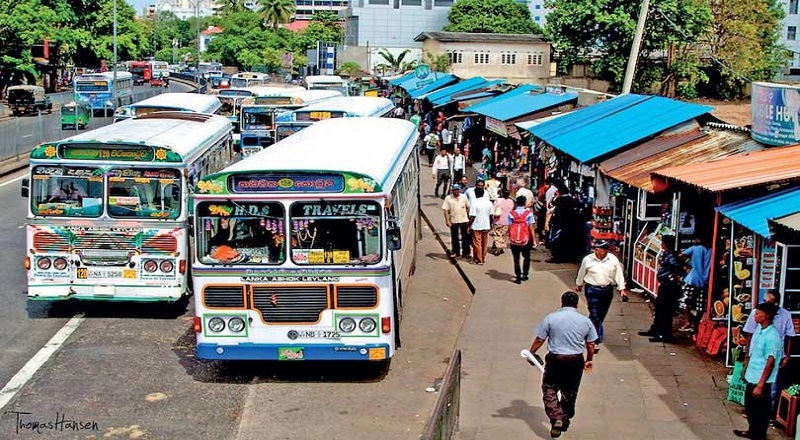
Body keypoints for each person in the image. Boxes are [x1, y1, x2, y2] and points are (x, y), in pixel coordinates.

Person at [528, 291, 597, 438]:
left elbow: (540, 339)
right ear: (577, 304)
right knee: (570, 390)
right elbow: (591, 343)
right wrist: (589, 359)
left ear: (562, 302)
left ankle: (556, 416)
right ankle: (564, 418)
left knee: (549, 388)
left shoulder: (551, 318)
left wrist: (531, 352)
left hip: (555, 359)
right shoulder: (585, 321)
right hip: (575, 360)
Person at [743, 289, 795, 417]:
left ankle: (767, 414)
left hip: (771, 358)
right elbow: (749, 334)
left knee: (770, 388)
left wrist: (786, 356)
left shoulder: (774, 333)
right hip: (755, 356)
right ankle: (751, 412)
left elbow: (789, 337)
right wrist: (746, 355)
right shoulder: (758, 315)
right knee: (750, 385)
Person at [734, 302, 782, 440]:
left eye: (757, 313)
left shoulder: (772, 336)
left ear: (766, 316)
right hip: (752, 374)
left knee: (760, 411)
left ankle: (759, 435)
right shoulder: (759, 330)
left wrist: (760, 385)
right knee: (750, 408)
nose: (755, 316)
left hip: (761, 380)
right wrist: (746, 367)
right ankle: (752, 431)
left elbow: (770, 362)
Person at [574, 241, 629, 352]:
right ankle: (595, 340)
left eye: (599, 249)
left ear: (605, 250)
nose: (596, 251)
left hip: (607, 290)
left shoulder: (613, 260)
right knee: (595, 314)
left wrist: (621, 289)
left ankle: (587, 331)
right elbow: (581, 272)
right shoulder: (588, 260)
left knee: (601, 314)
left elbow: (619, 274)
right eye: (595, 249)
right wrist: (579, 284)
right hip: (592, 289)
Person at [639, 235, 683, 342]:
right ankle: (656, 329)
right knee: (659, 308)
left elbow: (677, 265)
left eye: (663, 243)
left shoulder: (672, 256)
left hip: (669, 286)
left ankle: (664, 334)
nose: (661, 244)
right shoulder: (666, 254)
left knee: (665, 310)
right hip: (664, 285)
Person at [678, 236, 712, 332]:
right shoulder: (711, 251)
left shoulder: (694, 248)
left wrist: (685, 267)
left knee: (684, 302)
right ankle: (696, 325)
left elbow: (681, 255)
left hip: (692, 280)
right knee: (700, 305)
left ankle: (688, 322)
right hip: (705, 282)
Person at [508, 195, 537, 284]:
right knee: (526, 257)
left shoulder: (511, 214)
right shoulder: (529, 214)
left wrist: (509, 238)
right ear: (525, 203)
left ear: (516, 203)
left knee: (516, 259)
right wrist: (534, 240)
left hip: (514, 241)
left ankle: (518, 277)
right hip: (526, 239)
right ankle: (525, 274)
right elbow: (531, 228)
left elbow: (509, 227)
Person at [442, 184, 470, 259]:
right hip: (454, 220)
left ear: (460, 190)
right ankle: (455, 252)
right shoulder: (448, 198)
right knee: (454, 237)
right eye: (455, 190)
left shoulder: (464, 197)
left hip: (464, 220)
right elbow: (445, 210)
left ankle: (466, 252)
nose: (456, 191)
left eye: (458, 190)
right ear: (452, 190)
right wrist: (447, 221)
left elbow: (467, 207)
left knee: (465, 237)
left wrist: (468, 218)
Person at [468, 187, 493, 265]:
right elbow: (491, 215)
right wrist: (490, 225)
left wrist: (469, 225)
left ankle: (479, 259)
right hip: (486, 225)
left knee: (477, 243)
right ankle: (482, 257)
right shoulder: (489, 203)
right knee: (484, 243)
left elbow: (472, 216)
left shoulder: (474, 203)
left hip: (476, 225)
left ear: (475, 194)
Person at [490, 189, 514, 255]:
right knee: (504, 235)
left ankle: (498, 248)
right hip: (507, 221)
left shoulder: (498, 200)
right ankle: (501, 248)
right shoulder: (511, 201)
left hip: (498, 221)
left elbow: (493, 210)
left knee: (497, 235)